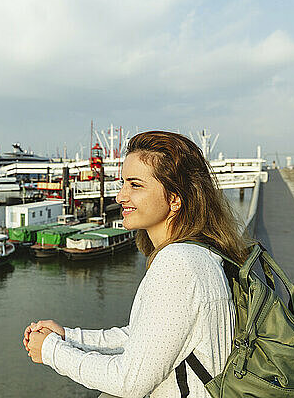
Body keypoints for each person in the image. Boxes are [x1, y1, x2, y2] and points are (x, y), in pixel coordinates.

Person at [22, 131, 248, 397]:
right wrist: (69, 337)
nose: (120, 196)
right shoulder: (201, 253)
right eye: (122, 183)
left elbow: (129, 381)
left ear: (175, 198)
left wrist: (51, 351)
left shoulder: (177, 265)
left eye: (135, 185)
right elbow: (146, 337)